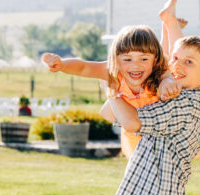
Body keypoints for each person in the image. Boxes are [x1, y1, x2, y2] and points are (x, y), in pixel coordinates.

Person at [106, 35, 200, 195]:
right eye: (174, 59)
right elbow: (109, 113)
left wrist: (111, 87)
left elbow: (131, 122)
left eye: (189, 62)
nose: (177, 66)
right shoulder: (177, 97)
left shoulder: (182, 104)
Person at [43, 25, 183, 159]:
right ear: (115, 59)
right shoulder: (113, 72)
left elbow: (168, 77)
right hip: (134, 143)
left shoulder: (158, 74)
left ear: (155, 59)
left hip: (160, 142)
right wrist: (62, 65)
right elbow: (83, 67)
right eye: (127, 59)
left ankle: (168, 25)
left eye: (144, 59)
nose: (135, 65)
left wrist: (168, 85)